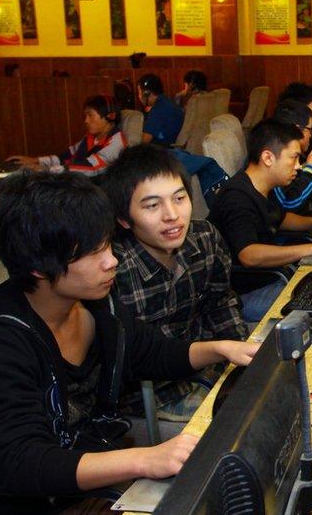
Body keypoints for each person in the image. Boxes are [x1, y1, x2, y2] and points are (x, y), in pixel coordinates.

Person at [0, 171, 257, 515]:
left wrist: (219, 348)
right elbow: (21, 463)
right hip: (47, 513)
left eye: (108, 245)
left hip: (104, 477)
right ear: (39, 267)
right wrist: (146, 459)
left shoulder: (96, 304)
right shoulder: (7, 338)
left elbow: (152, 352)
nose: (112, 261)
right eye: (93, 253)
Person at [100, 144, 247, 423]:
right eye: (153, 205)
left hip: (208, 368)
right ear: (124, 219)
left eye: (179, 198)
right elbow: (122, 360)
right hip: (150, 394)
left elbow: (220, 302)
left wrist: (240, 356)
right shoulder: (112, 269)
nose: (172, 215)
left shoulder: (204, 237)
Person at [207, 119, 312, 321]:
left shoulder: (262, 186)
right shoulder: (236, 196)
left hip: (269, 278)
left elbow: (280, 218)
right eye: (294, 158)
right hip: (239, 297)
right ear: (268, 158)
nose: (298, 167)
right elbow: (249, 255)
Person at [9, 95, 126, 177]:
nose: (86, 121)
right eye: (85, 116)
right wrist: (35, 161)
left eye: (90, 115)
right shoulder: (91, 138)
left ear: (110, 116)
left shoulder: (117, 142)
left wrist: (46, 170)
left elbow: (91, 167)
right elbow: (65, 157)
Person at [137, 74, 185, 146]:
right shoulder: (165, 101)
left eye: (139, 92)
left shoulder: (158, 109)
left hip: (166, 151)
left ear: (146, 93)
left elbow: (144, 143)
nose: (139, 96)